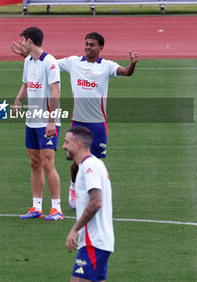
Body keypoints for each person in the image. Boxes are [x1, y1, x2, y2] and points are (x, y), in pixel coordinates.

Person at [11, 32, 139, 210]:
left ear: (101, 47)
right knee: (76, 162)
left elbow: (126, 72)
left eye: (92, 44)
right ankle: (73, 188)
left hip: (98, 122)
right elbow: (49, 64)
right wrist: (26, 55)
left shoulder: (107, 66)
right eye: (86, 44)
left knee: (96, 161)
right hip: (77, 122)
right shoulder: (73, 62)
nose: (88, 47)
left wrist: (132, 63)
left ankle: (93, 193)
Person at [11, 27, 63, 220]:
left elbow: (56, 92)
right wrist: (18, 99)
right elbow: (26, 83)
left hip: (47, 123)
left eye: (22, 40)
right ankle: (36, 207)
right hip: (31, 122)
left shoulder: (50, 63)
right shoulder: (28, 61)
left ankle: (56, 208)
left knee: (48, 163)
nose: (21, 43)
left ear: (30, 41)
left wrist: (51, 120)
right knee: (34, 163)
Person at [63, 126, 114, 282]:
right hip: (97, 242)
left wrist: (75, 229)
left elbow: (96, 201)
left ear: (78, 144)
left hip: (94, 242)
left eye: (67, 142)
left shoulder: (89, 166)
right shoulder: (92, 164)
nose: (64, 146)